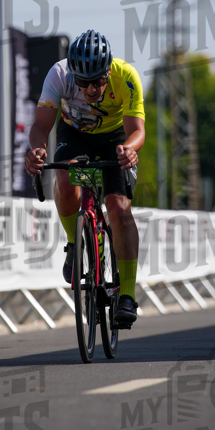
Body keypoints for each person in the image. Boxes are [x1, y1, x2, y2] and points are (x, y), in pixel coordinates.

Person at [24, 30, 145, 326]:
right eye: (83, 82)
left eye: (98, 81)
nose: (90, 89)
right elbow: (41, 126)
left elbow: (137, 131)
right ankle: (73, 244)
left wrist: (128, 151)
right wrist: (37, 151)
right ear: (72, 73)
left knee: (118, 207)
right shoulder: (59, 74)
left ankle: (126, 295)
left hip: (115, 138)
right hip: (75, 133)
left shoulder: (126, 76)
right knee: (64, 179)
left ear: (108, 70)